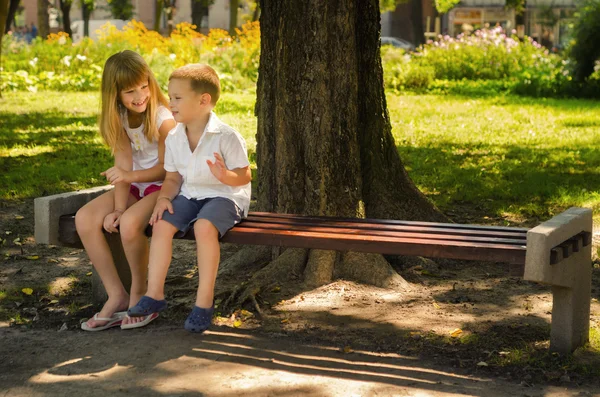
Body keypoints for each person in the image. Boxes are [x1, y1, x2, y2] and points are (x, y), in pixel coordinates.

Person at [127, 64, 251, 333]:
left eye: (177, 98)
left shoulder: (226, 136)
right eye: (170, 97)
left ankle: (204, 303)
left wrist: (224, 174)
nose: (170, 103)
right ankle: (154, 295)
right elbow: (172, 179)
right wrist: (162, 199)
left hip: (224, 196)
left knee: (203, 227)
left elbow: (244, 177)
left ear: (204, 100)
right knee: (161, 223)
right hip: (191, 194)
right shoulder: (174, 137)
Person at [76, 50, 176, 331]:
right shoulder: (120, 116)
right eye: (130, 91)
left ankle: (140, 293)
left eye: (144, 86)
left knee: (131, 225)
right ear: (114, 95)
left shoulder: (163, 119)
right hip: (136, 185)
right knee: (84, 218)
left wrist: (130, 179)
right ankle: (116, 295)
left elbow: (168, 169)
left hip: (165, 186)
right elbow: (122, 164)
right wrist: (119, 207)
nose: (140, 95)